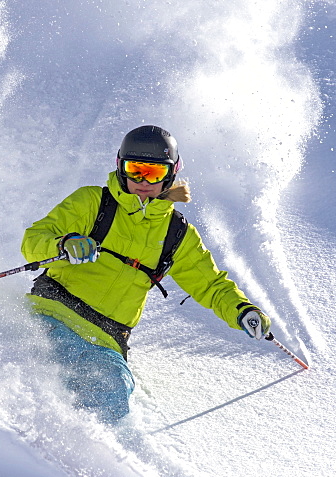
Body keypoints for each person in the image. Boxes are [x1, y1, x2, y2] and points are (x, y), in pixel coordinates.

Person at [21, 126, 271, 425]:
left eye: (152, 173)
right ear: (120, 166)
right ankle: (24, 439)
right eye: (134, 170)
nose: (142, 181)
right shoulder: (92, 203)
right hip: (53, 314)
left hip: (105, 340)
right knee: (50, 368)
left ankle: (97, 461)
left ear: (170, 174)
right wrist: (64, 243)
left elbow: (210, 284)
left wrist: (241, 310)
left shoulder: (177, 233)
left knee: (112, 391)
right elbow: (34, 240)